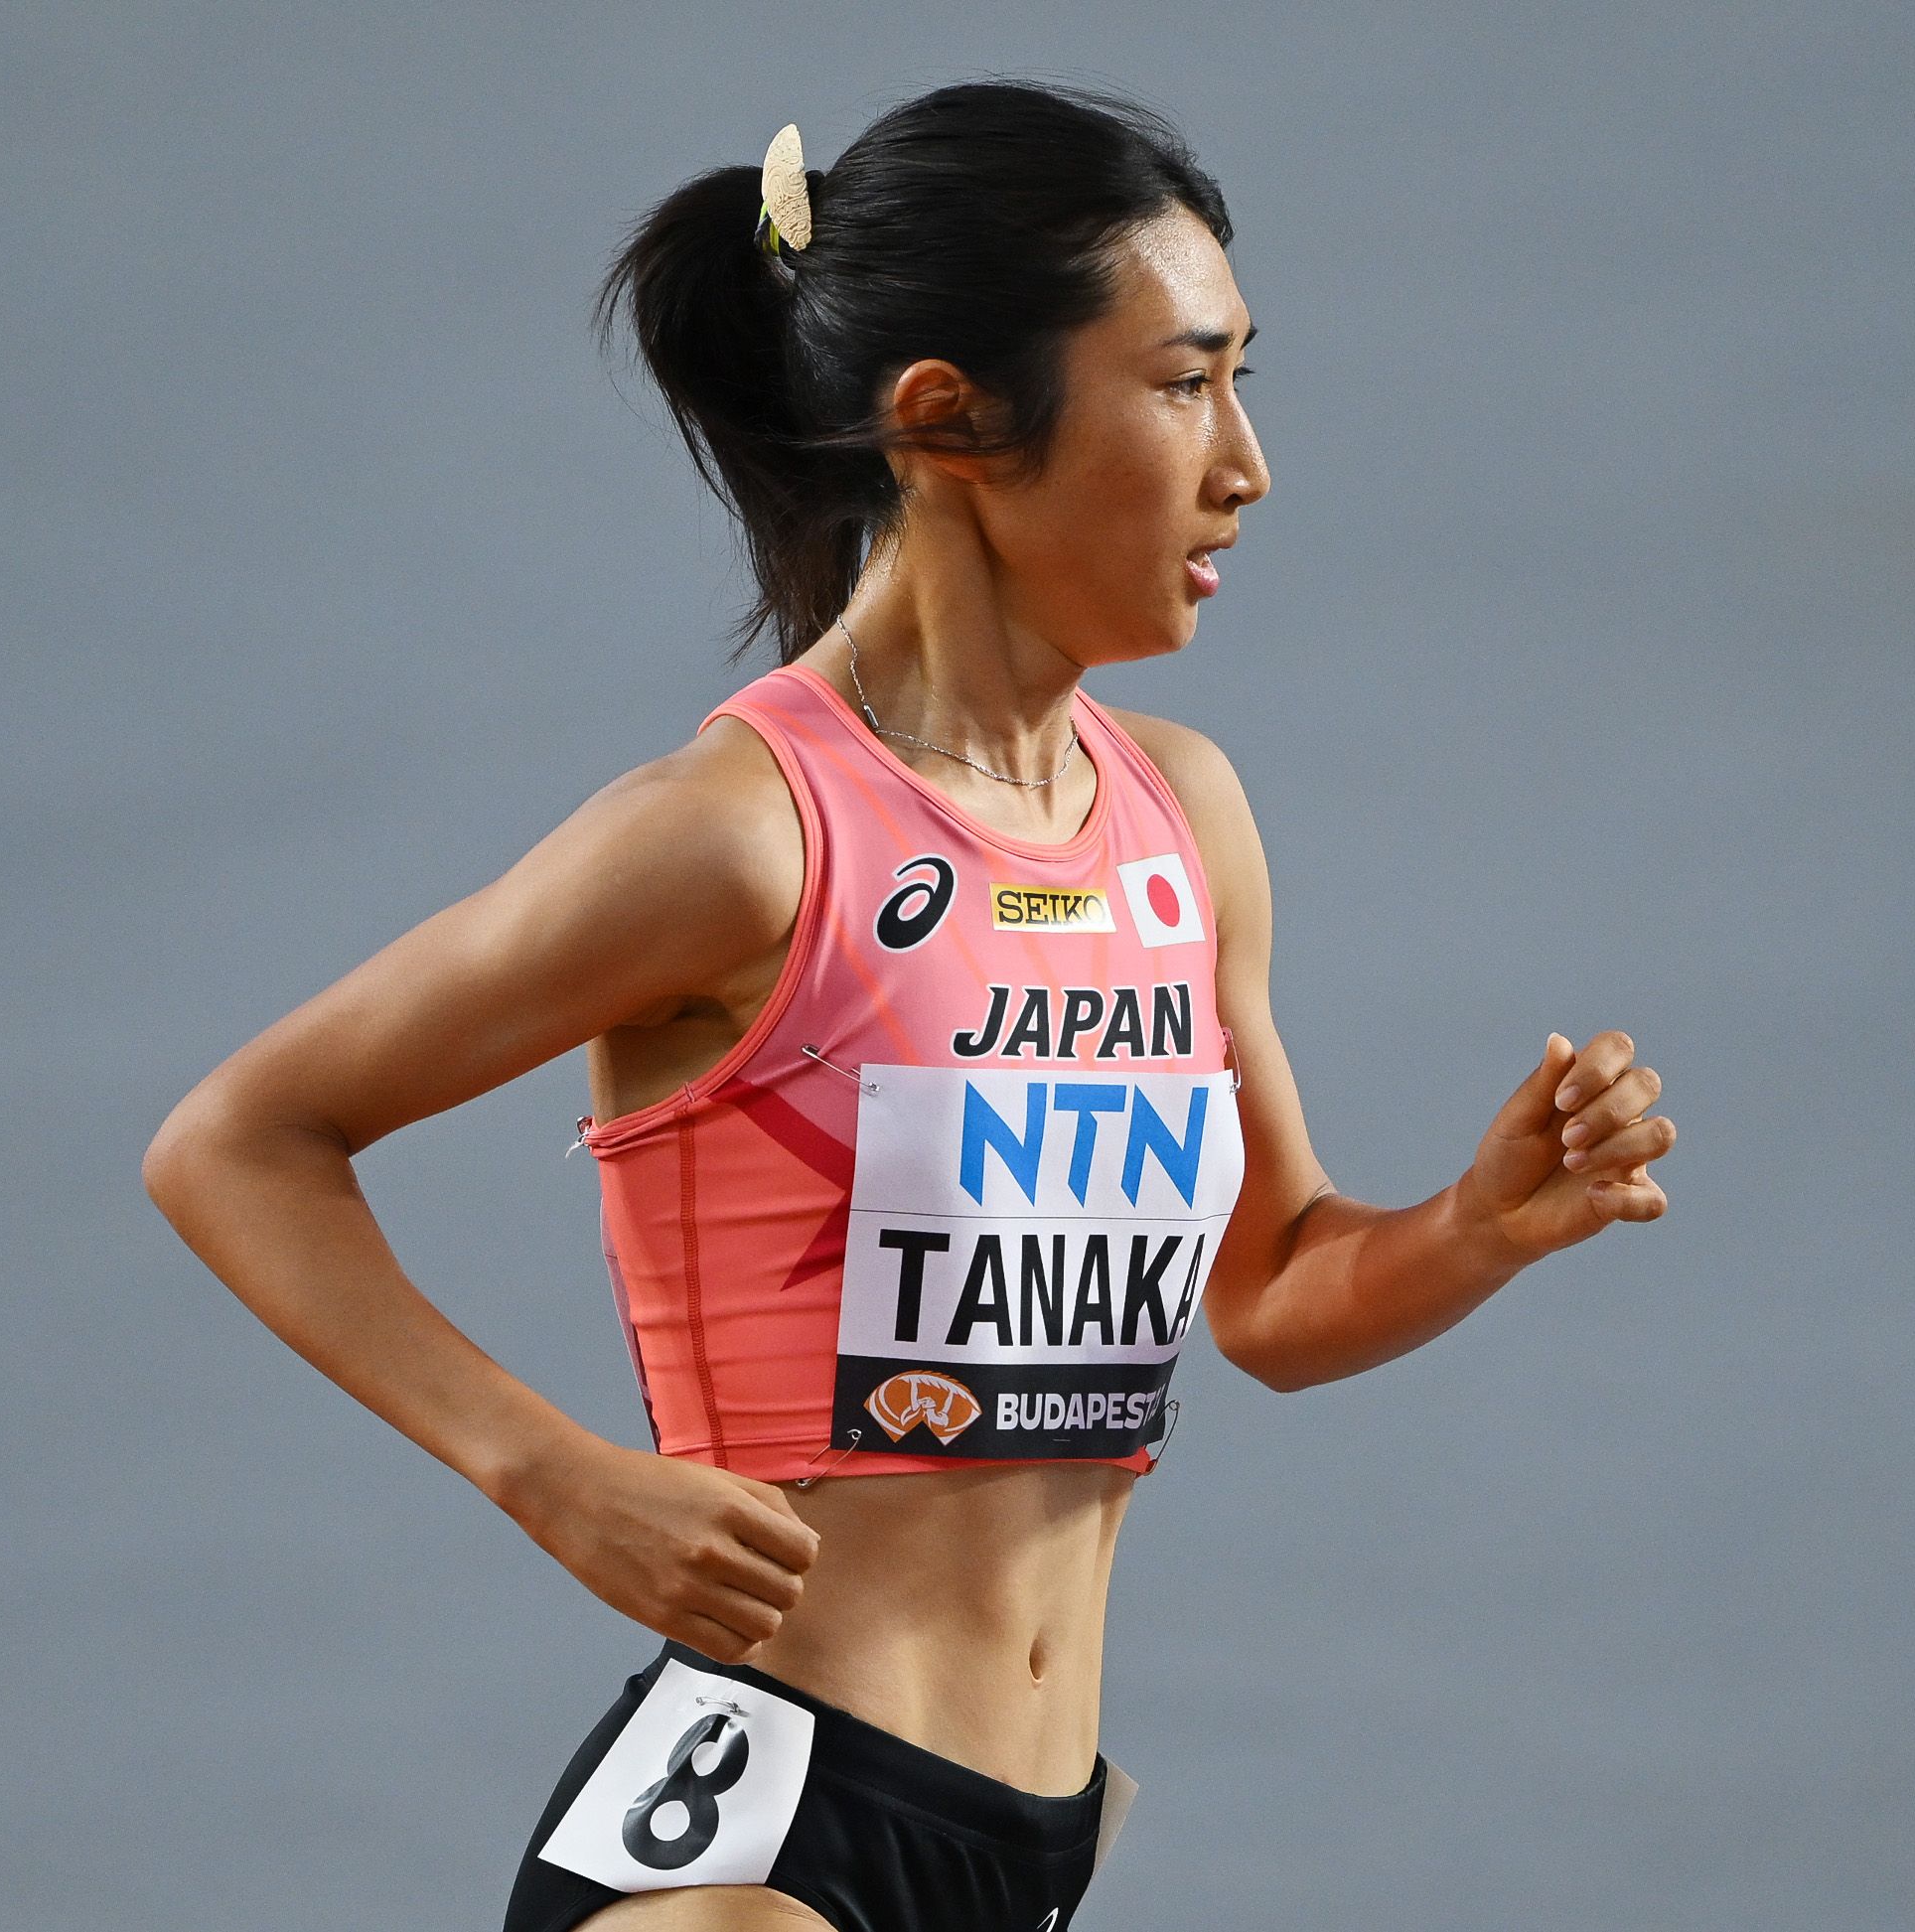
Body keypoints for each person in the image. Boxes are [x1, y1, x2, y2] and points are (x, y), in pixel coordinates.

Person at [141, 77, 1676, 1932]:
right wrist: (546, 1474)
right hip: (761, 1865)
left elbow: (1269, 1293)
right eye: (1184, 384)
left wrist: (1474, 1229)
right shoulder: (741, 840)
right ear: (948, 417)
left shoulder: (1177, 816)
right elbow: (238, 1141)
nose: (1247, 462)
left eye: (1242, 379)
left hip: (1025, 1846)